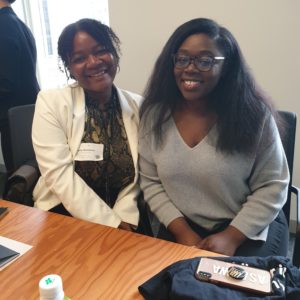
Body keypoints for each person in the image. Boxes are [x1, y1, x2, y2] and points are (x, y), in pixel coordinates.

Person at [139, 18, 289, 256]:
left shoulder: (254, 116)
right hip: (184, 225)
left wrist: (232, 236)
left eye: (205, 61)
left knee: (234, 289)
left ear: (226, 67)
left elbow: (272, 186)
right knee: (167, 287)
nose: (190, 68)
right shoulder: (154, 116)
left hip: (248, 225)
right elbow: (150, 182)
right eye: (182, 58)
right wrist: (182, 231)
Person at [32, 18, 142, 230]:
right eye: (80, 58)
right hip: (63, 213)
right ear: (70, 67)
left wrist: (124, 218)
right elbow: (59, 176)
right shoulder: (50, 102)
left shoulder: (138, 106)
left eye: (101, 50)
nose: (93, 62)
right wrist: (112, 224)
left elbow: (138, 175)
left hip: (124, 215)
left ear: (114, 53)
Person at [0, 0, 39, 174]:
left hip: (14, 118)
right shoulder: (17, 24)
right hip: (25, 113)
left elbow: (6, 81)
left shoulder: (4, 25)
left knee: (19, 179)